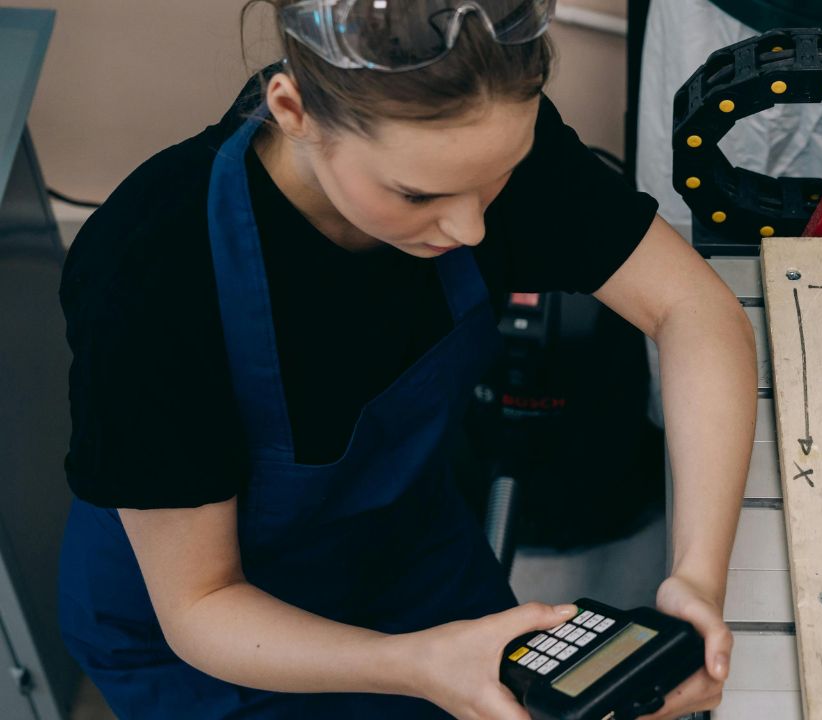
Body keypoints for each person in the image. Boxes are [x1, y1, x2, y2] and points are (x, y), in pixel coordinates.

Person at [56, 1, 756, 718]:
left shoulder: (474, 141)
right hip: (223, 640)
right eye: (417, 194)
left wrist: (696, 577)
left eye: (499, 176)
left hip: (405, 554)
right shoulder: (151, 272)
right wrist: (419, 664)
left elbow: (693, 310)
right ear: (294, 109)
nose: (470, 225)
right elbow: (201, 603)